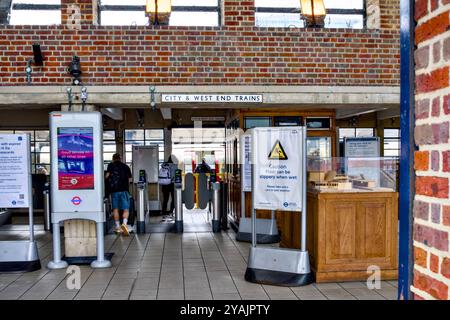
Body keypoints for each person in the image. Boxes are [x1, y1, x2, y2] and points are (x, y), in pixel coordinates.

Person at [105, 153, 132, 236]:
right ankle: (124, 224)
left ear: (113, 158)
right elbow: (130, 180)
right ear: (120, 158)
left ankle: (117, 227)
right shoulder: (125, 166)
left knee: (115, 209)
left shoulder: (110, 165)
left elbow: (107, 176)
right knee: (126, 209)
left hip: (114, 191)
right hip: (124, 191)